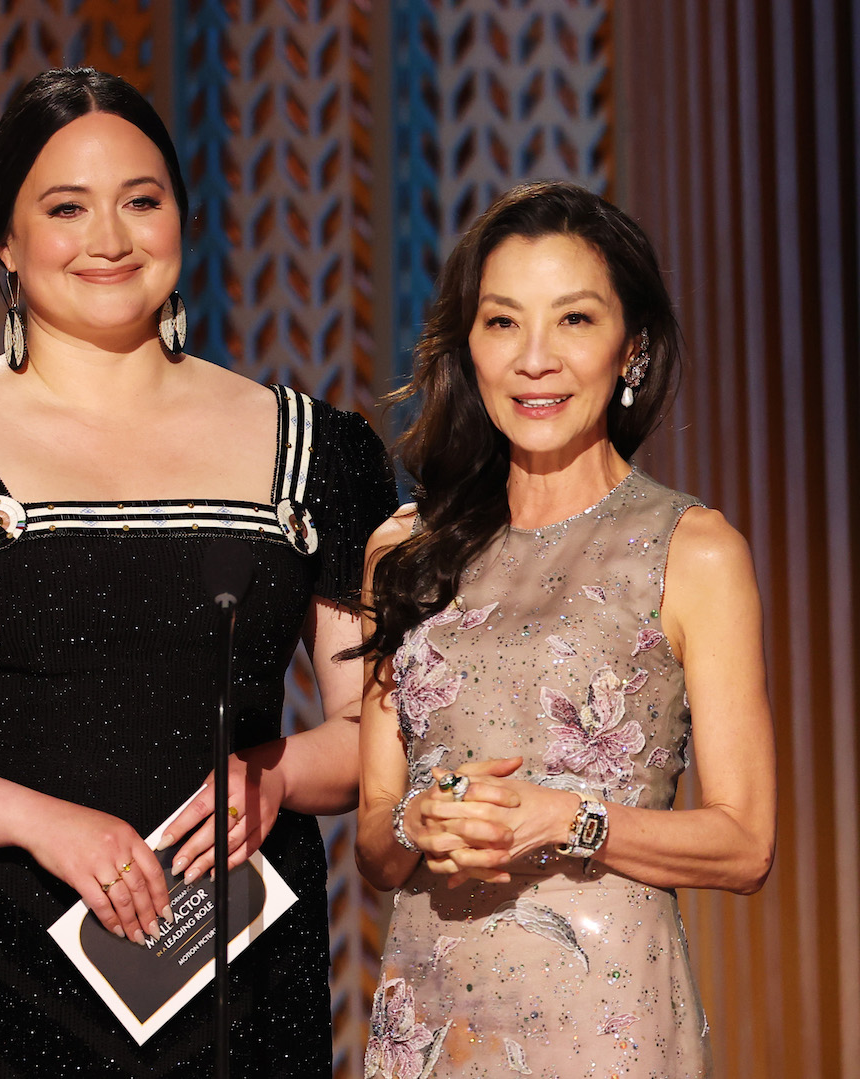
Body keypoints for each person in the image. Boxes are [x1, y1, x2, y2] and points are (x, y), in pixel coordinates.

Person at [0, 67, 400, 1076]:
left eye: (141, 201)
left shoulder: (319, 451)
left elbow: (376, 730)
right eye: (65, 207)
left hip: (231, 971)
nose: (109, 238)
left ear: (180, 220)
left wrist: (279, 772)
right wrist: (41, 821)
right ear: (6, 242)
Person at [351, 181, 776, 1078]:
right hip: (428, 1021)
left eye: (574, 320)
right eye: (503, 322)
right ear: (467, 347)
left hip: (605, 1026)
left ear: (633, 348)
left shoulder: (692, 550)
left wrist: (565, 819)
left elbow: (746, 842)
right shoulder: (404, 552)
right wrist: (418, 820)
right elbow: (373, 846)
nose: (534, 359)